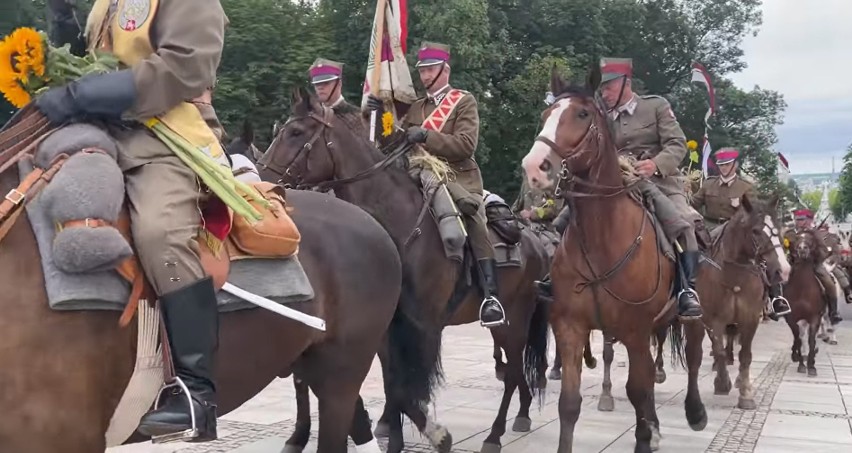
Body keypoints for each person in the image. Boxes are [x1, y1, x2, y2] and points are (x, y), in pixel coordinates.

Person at [37, 0, 229, 441]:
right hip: (96, 133)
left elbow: (185, 68)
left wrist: (79, 96)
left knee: (160, 232)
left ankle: (196, 393)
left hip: (165, 136)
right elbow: (91, 67)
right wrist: (63, 22)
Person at [536, 57, 703, 319]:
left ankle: (686, 290)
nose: (604, 93)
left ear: (626, 83)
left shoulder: (656, 106)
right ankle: (554, 277)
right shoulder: (597, 113)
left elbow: (677, 145)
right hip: (612, 183)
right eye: (602, 89)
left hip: (655, 181)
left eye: (609, 87)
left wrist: (656, 164)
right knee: (562, 222)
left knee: (683, 223)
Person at [366, 42, 505, 327]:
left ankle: (491, 295)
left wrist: (426, 136)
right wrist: (381, 115)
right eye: (423, 70)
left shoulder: (464, 101)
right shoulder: (417, 106)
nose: (425, 75)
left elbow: (466, 145)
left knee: (473, 213)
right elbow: (395, 139)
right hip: (417, 173)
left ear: (445, 69)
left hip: (456, 176)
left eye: (430, 69)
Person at [692, 148, 791, 319]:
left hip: (737, 230)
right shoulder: (708, 184)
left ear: (735, 165)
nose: (723, 168)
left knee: (765, 252)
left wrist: (741, 211)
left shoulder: (746, 187)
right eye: (721, 165)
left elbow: (754, 213)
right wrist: (684, 194)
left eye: (727, 164)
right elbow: (694, 203)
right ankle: (688, 289)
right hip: (709, 228)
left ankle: (776, 297)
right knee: (691, 249)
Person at [784, 209, 842, 324]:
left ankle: (833, 312)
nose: (799, 222)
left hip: (813, 264)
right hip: (795, 264)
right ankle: (780, 305)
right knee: (779, 280)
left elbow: (823, 250)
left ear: (807, 220)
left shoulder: (815, 233)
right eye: (797, 219)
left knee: (829, 282)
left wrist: (815, 257)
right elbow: (785, 248)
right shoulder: (790, 233)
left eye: (802, 219)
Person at [817, 224, 852, 304]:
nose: (822, 231)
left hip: (829, 263)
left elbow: (836, 254)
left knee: (840, 274)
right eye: (820, 229)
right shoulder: (814, 239)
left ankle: (848, 293)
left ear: (827, 229)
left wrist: (829, 260)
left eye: (824, 229)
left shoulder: (832, 239)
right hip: (817, 263)